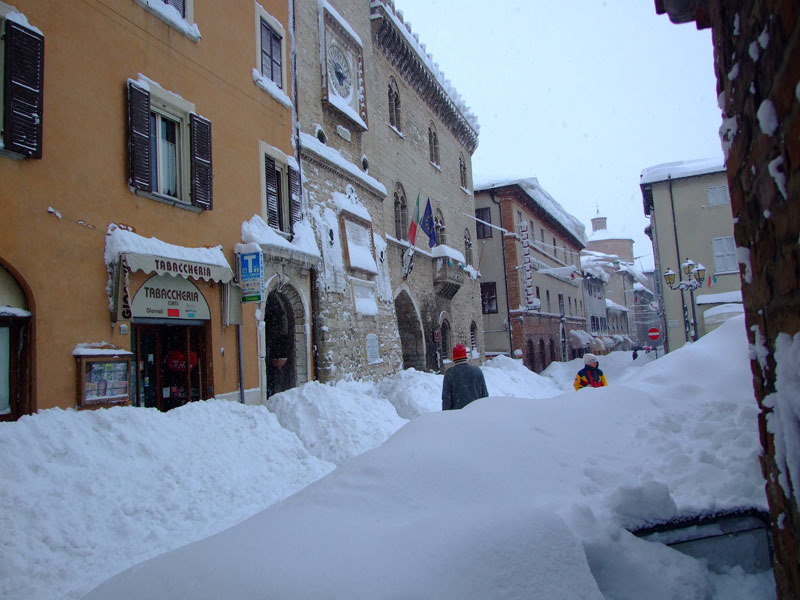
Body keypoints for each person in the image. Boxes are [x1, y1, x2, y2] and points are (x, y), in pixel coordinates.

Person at [441, 343, 488, 410]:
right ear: (466, 357)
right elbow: (485, 395)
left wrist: (446, 415)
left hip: (458, 415)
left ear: (454, 359)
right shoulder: (477, 371)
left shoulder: (449, 374)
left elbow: (446, 399)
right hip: (477, 412)